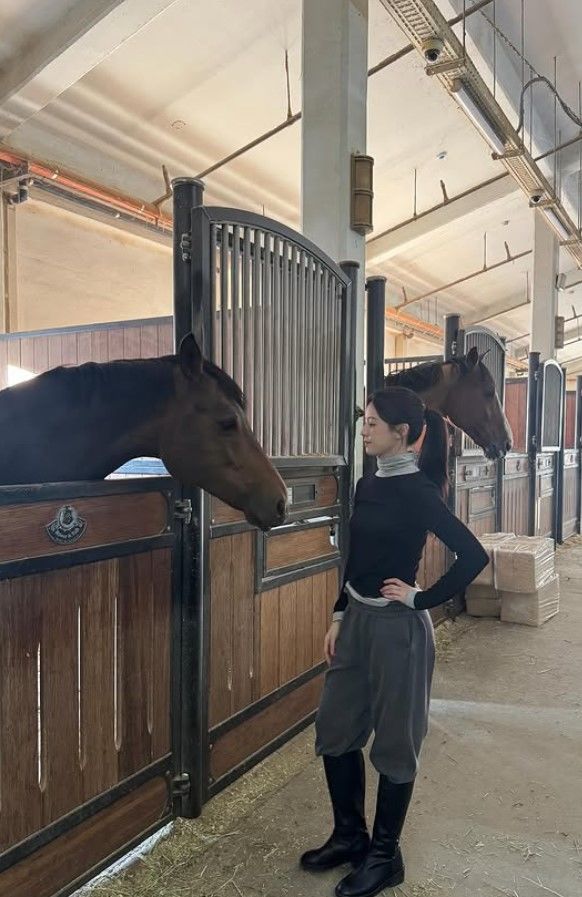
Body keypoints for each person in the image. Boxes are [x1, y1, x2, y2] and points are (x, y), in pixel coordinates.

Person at [300, 386, 488, 897]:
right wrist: (339, 613)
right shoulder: (367, 484)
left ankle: (385, 857)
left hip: (398, 631)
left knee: (396, 745)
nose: (364, 427)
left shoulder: (420, 492)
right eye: (365, 419)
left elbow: (473, 556)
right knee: (335, 729)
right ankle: (349, 836)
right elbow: (357, 558)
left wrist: (420, 599)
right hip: (357, 622)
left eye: (373, 422)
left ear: (401, 434)